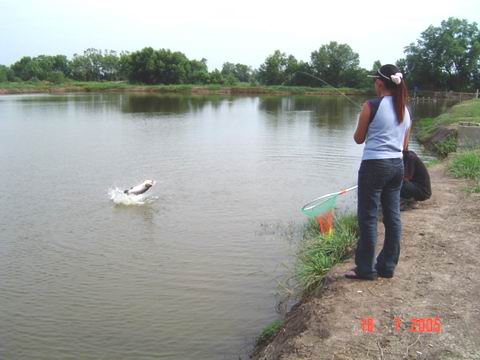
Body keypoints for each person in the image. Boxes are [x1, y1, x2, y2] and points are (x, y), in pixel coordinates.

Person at [345, 64, 411, 280]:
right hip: (397, 167)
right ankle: (387, 266)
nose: (374, 83)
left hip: (374, 166)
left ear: (380, 83)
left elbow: (358, 139)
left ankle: (365, 269)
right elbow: (404, 147)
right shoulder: (405, 110)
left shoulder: (370, 106)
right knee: (393, 217)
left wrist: (364, 116)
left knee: (368, 217)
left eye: (375, 80)